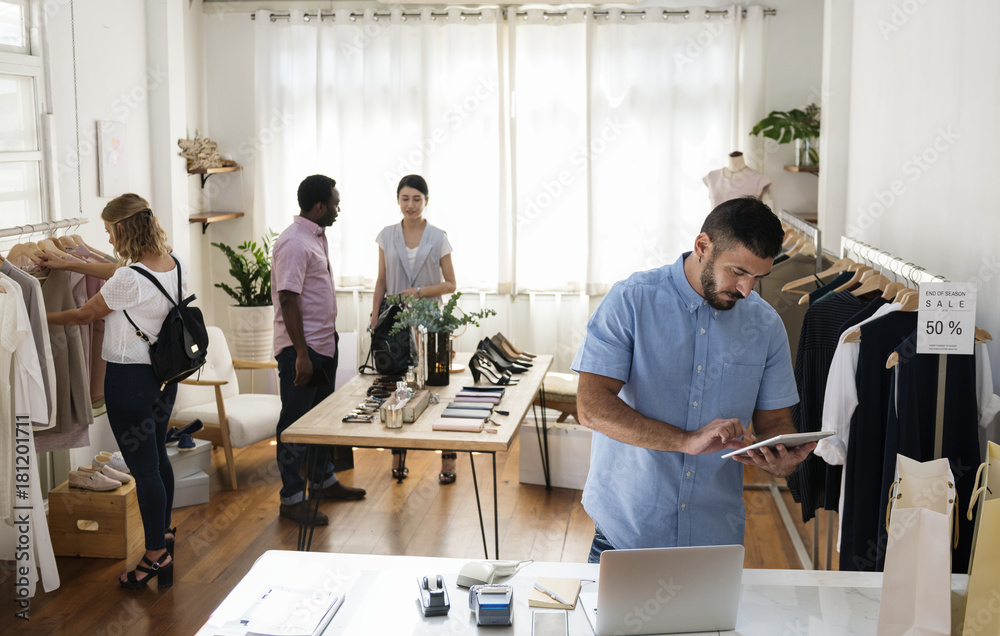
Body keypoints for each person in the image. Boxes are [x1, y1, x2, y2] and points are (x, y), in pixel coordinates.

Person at [572, 196, 813, 562]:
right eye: (737, 271)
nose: (747, 289)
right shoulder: (631, 301)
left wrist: (781, 461)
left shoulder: (765, 325)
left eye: (757, 277)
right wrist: (685, 441)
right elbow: (591, 408)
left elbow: (775, 423)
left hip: (715, 540)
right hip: (628, 532)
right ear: (703, 246)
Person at [46, 194, 181, 589]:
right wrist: (68, 261)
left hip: (128, 381)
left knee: (142, 469)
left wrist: (37, 317)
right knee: (157, 457)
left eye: (108, 231)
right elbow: (120, 272)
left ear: (123, 228)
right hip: (164, 378)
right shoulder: (171, 263)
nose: (107, 239)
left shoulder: (129, 278)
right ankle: (165, 535)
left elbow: (85, 314)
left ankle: (154, 554)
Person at [272, 174, 366, 526]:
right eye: (336, 203)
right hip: (303, 351)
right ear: (320, 206)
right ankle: (291, 498)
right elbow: (288, 298)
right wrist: (301, 354)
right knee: (295, 423)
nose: (339, 209)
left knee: (322, 419)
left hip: (323, 344)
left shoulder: (316, 237)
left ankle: (322, 481)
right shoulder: (294, 243)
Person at [370, 175, 458, 483]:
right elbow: (381, 280)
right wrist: (374, 319)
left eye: (417, 199)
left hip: (430, 324)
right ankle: (398, 457)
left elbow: (451, 283)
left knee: (438, 390)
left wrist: (418, 292)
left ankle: (448, 463)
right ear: (398, 200)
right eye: (405, 198)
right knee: (399, 389)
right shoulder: (386, 235)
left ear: (426, 201)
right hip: (394, 325)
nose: (410, 205)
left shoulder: (438, 236)